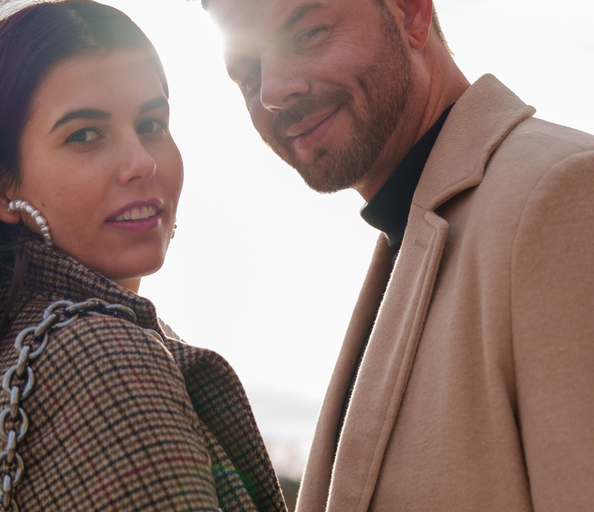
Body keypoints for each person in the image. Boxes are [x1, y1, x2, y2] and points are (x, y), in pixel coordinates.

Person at [0, 2, 288, 511]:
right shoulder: (100, 359)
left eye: (152, 123)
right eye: (84, 135)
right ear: (0, 189)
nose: (141, 162)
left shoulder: (4, 353)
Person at [201, 0, 594, 510]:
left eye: (308, 34)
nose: (273, 91)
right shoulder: (410, 237)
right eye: (247, 72)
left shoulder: (561, 195)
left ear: (411, 13)